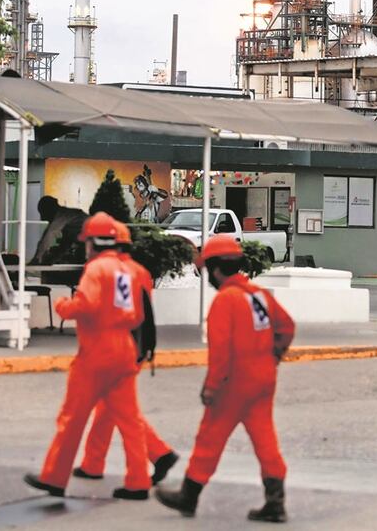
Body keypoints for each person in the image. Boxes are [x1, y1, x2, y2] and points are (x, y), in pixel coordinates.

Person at [155, 234, 296, 523]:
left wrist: (210, 389)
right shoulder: (259, 294)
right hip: (264, 378)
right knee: (265, 438)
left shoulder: (225, 301)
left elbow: (220, 355)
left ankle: (189, 495)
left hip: (234, 384)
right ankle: (275, 502)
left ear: (217, 268)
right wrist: (273, 357)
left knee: (210, 436)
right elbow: (287, 327)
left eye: (207, 270)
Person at [23, 212, 151, 500]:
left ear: (93, 242)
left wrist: (63, 306)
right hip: (125, 349)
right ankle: (139, 480)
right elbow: (142, 313)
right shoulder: (130, 271)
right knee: (130, 420)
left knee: (72, 418)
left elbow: (87, 305)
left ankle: (55, 477)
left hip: (97, 351)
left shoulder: (96, 269)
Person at [72, 220, 180, 486]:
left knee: (119, 410)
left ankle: (159, 454)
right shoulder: (138, 271)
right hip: (136, 345)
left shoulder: (103, 269)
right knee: (108, 409)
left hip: (117, 348)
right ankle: (94, 463)